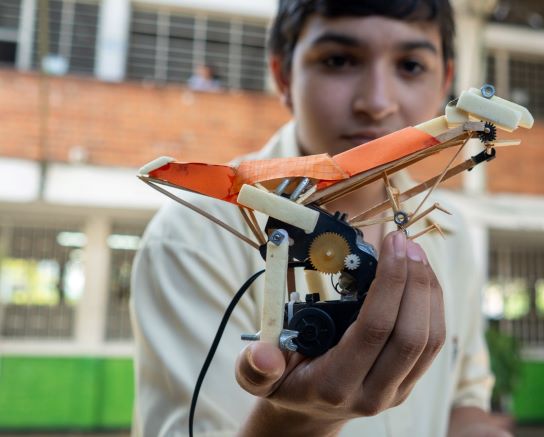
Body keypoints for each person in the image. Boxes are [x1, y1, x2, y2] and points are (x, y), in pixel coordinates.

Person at [131, 1, 506, 436]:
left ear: (445, 81)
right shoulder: (192, 239)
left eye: (409, 65)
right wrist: (296, 422)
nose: (377, 103)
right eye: (338, 60)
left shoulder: (450, 232)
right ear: (283, 75)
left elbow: (463, 400)